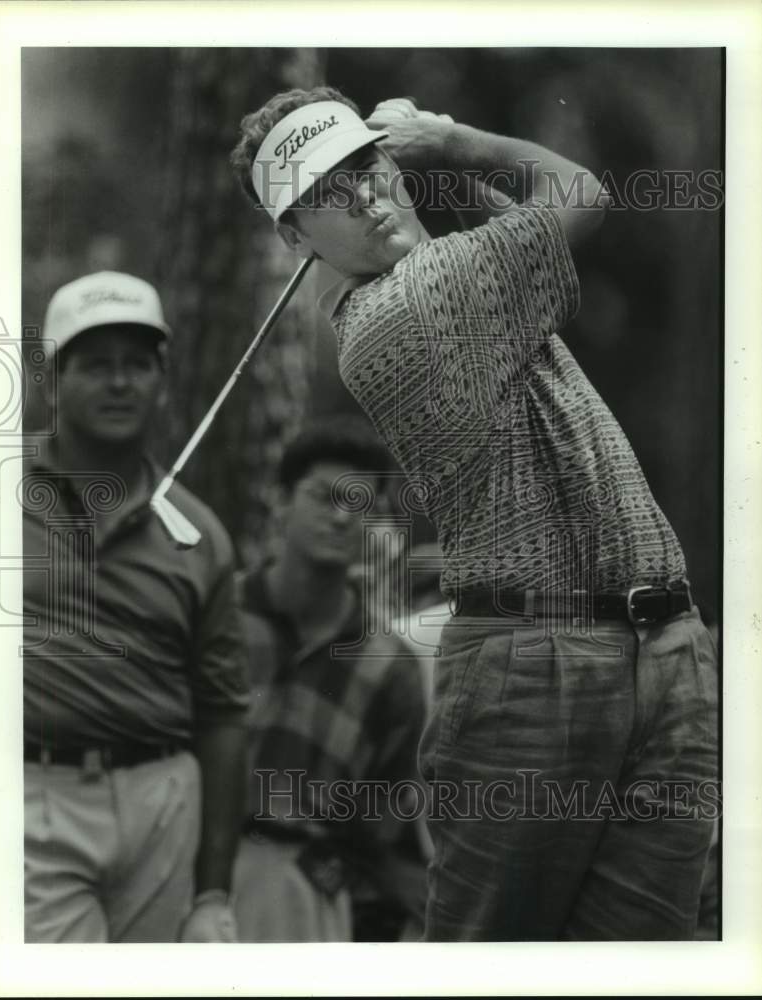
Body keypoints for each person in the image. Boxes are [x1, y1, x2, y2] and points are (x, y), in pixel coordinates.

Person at [229, 88, 719, 941]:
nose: (366, 196)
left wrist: (433, 174)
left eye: (366, 166)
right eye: (326, 195)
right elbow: (575, 193)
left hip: (661, 645)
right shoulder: (393, 319)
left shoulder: (457, 274)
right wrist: (448, 138)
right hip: (533, 671)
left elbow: (502, 221)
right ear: (293, 238)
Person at [23, 270, 249, 943]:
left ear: (161, 381)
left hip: (163, 800)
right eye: (95, 365)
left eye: (136, 365)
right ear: (51, 381)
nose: (119, 383)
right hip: (33, 790)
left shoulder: (199, 533)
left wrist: (213, 893)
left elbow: (223, 714)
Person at [230, 419, 427, 942]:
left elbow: (388, 825)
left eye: (360, 502)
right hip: (190, 862)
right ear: (282, 502)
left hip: (305, 893)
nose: (341, 516)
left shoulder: (389, 666)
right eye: (323, 497)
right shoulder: (219, 616)